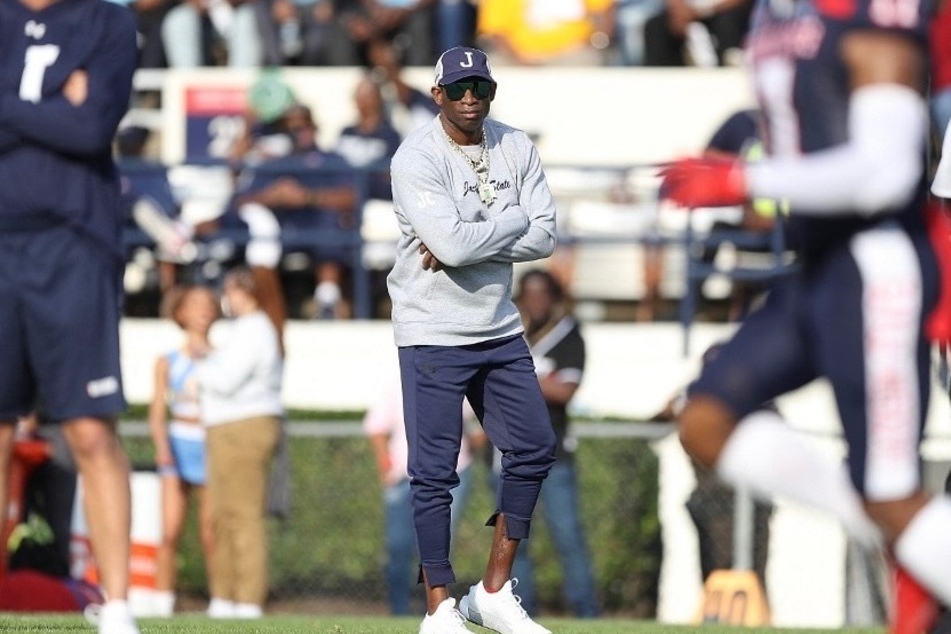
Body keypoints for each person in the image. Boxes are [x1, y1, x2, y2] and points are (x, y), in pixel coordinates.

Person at [659, 0, 951, 631]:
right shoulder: (774, 11)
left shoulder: (874, 15)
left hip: (877, 266)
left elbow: (885, 172)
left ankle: (901, 531)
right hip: (816, 267)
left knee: (894, 495)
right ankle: (889, 529)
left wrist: (745, 180)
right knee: (705, 419)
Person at [387, 46, 558, 634]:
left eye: (479, 87)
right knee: (434, 473)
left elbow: (546, 237)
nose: (469, 97)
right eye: (458, 88)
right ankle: (438, 607)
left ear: (491, 91)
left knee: (534, 446)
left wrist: (472, 231)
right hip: (432, 330)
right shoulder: (416, 157)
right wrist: (508, 220)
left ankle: (492, 592)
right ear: (437, 94)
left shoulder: (515, 144)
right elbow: (491, 238)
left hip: (498, 325)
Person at [0, 0, 139, 631]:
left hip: (75, 243)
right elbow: (70, 121)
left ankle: (117, 607)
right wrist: (56, 105)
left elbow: (90, 131)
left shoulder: (106, 21)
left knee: (89, 428)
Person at [504, 269, 600, 619]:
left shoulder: (568, 335)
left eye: (543, 292)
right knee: (513, 542)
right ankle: (519, 614)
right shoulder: (510, 333)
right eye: (529, 293)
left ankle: (587, 614)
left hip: (554, 455)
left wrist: (521, 377)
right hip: (508, 455)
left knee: (568, 538)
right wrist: (540, 380)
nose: (536, 300)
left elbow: (565, 391)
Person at [192, 266, 284, 619]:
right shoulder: (244, 330)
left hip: (243, 427)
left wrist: (200, 361)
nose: (224, 299)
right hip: (225, 428)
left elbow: (226, 379)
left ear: (244, 292)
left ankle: (247, 600)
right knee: (221, 515)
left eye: (229, 291)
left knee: (244, 516)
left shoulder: (255, 328)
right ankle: (224, 597)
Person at [363, 372, 486, 615]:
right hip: (403, 476)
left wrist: (471, 445)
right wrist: (386, 465)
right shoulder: (398, 384)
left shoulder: (457, 383)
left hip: (450, 475)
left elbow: (480, 425)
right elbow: (376, 426)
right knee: (398, 546)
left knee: (438, 547)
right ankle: (400, 612)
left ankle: (435, 610)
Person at [147, 285, 221, 617]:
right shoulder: (168, 360)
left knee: (211, 533)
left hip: (209, 447)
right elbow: (157, 410)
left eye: (208, 304)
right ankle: (162, 601)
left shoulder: (221, 357)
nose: (203, 310)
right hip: (178, 445)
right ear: (181, 313)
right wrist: (162, 446)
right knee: (170, 531)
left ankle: (221, 601)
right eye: (195, 305)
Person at [476, 0, 616, 66]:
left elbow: (605, 9)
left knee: (588, 61)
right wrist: (521, 60)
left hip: (573, 52)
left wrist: (599, 41)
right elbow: (496, 31)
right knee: (491, 68)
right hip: (520, 54)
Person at [642, 0, 753, 66]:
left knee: (727, 22)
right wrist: (679, 10)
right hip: (688, 11)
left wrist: (703, 11)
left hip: (724, 10)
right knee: (655, 26)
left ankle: (726, 68)